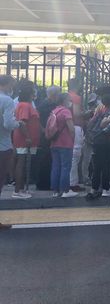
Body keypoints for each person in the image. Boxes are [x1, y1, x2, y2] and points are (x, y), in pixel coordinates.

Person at [85, 94, 110, 200]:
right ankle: (106, 188)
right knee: (106, 165)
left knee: (97, 166)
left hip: (96, 140)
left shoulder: (98, 109)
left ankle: (94, 188)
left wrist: (90, 134)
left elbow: (91, 122)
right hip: (106, 140)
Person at [12, 82, 40, 199]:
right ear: (29, 94)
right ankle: (18, 190)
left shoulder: (25, 104)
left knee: (24, 164)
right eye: (33, 92)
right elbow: (23, 123)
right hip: (24, 138)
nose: (35, 94)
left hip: (27, 138)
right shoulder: (25, 105)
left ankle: (22, 189)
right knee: (21, 163)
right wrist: (28, 136)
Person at [0, 75, 21, 230]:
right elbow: (8, 123)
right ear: (6, 85)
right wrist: (18, 123)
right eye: (12, 85)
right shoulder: (6, 100)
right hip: (3, 146)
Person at [49, 93, 76, 198]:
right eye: (69, 99)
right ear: (64, 100)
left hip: (54, 142)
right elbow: (71, 129)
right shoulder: (66, 111)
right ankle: (65, 190)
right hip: (65, 143)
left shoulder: (54, 111)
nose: (70, 102)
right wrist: (73, 139)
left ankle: (55, 191)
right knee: (65, 167)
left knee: (55, 166)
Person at [67, 78, 84, 192]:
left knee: (68, 156)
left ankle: (68, 181)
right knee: (75, 156)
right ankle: (73, 183)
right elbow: (77, 113)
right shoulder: (76, 97)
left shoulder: (65, 96)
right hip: (76, 126)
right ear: (77, 85)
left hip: (66, 127)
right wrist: (87, 113)